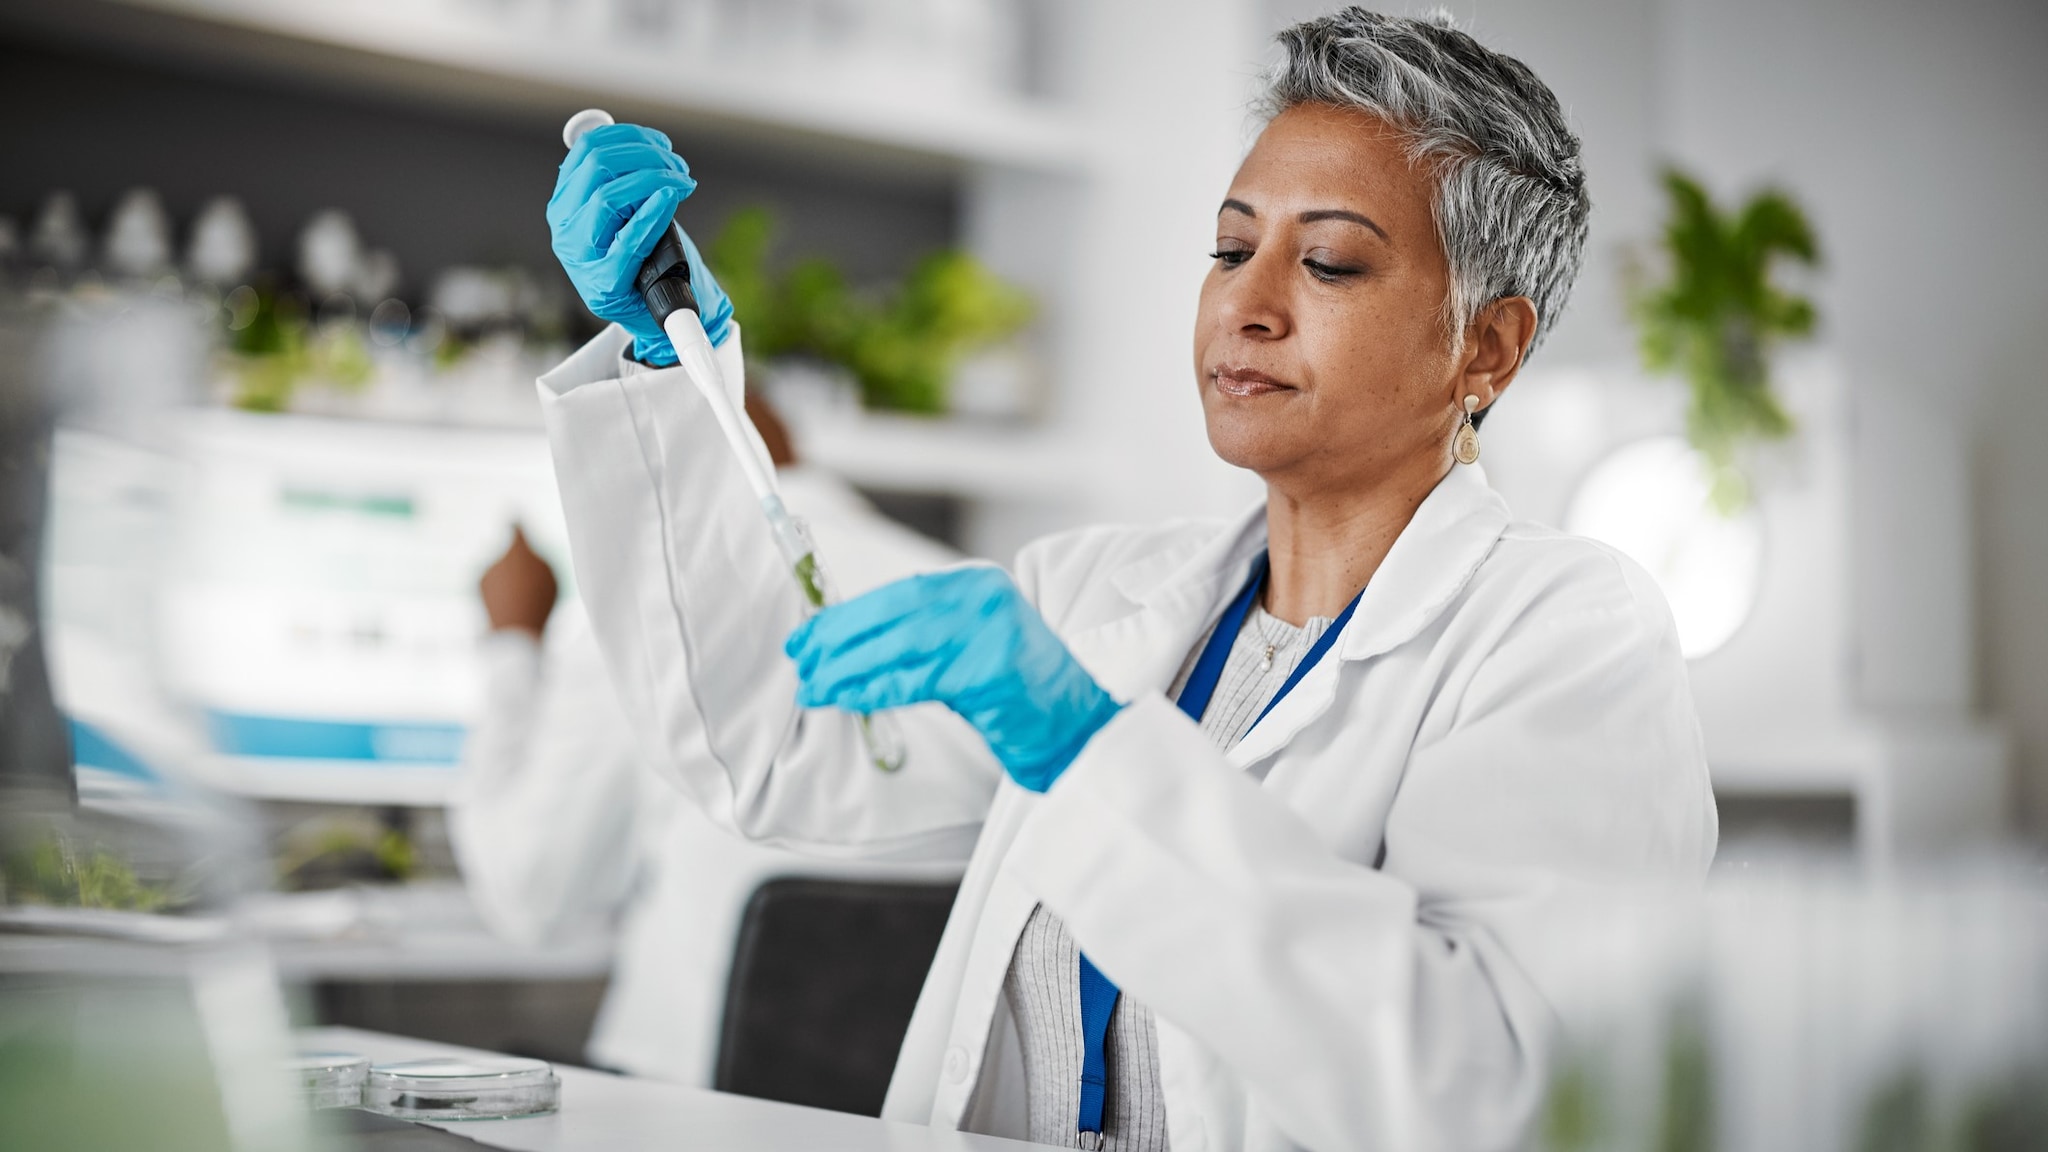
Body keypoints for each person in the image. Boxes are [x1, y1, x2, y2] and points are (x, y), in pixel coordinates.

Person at [536, 8, 1716, 1150]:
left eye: (1328, 261)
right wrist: (668, 359)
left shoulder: (1566, 636)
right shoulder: (1093, 593)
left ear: (1485, 348)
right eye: (1229, 247)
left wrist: (1089, 751)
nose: (1245, 306)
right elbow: (765, 747)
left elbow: (1496, 1094)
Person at [446, 395, 966, 1088]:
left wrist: (513, 643)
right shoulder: (974, 600)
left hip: (691, 1113)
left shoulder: (653, 621)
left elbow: (529, 898)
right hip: (915, 1118)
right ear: (783, 433)